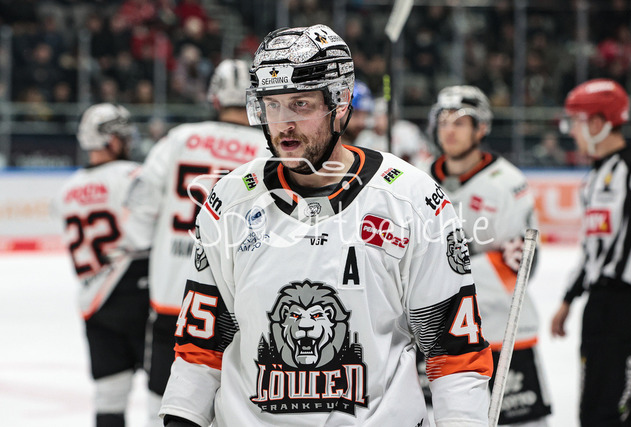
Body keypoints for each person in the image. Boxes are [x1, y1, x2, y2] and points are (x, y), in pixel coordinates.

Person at [159, 24, 493, 427]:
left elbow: (454, 351)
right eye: (272, 105)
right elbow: (201, 345)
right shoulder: (228, 201)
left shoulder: (412, 199)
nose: (283, 124)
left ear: (341, 103)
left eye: (300, 104)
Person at [122, 59, 268, 426]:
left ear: (214, 98)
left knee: (165, 401)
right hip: (236, 300)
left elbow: (139, 211)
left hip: (173, 293)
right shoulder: (267, 148)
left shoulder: (179, 138)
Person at [424, 85, 552, 426]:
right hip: (436, 338)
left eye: (460, 122)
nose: (449, 130)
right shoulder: (418, 179)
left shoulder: (508, 183)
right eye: (443, 121)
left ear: (481, 128)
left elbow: (519, 266)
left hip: (498, 332)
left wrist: (440, 274)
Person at [51, 103, 150, 427]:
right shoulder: (133, 176)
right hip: (139, 294)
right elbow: (147, 234)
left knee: (109, 399)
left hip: (94, 303)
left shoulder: (66, 190)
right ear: (111, 139)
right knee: (163, 396)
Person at [551, 78, 631, 426]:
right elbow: (591, 250)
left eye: (576, 121)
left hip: (629, 306)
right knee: (592, 411)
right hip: (598, 307)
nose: (571, 131)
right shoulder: (594, 178)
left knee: (615, 411)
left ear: (600, 123)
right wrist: (568, 299)